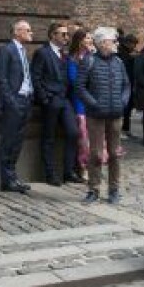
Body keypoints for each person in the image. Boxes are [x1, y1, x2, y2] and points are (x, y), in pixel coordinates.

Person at [75, 27, 130, 204]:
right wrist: (94, 104)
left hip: (115, 114)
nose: (116, 44)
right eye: (113, 41)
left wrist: (122, 102)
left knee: (115, 154)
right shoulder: (89, 61)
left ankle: (114, 190)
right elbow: (80, 87)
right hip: (96, 116)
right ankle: (93, 189)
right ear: (102, 43)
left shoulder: (119, 62)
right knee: (96, 154)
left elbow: (126, 85)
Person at [30, 22, 80, 186]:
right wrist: (44, 98)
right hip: (50, 100)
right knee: (49, 137)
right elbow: (35, 77)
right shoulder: (42, 53)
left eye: (67, 34)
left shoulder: (64, 54)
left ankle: (68, 171)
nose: (67, 37)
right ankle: (50, 173)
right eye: (63, 34)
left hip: (64, 100)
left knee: (73, 132)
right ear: (53, 35)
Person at [0, 20, 35, 193]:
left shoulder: (23, 51)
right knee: (9, 141)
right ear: (17, 32)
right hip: (14, 102)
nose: (31, 33)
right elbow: (2, 79)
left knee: (18, 141)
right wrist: (11, 101)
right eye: (28, 30)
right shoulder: (7, 50)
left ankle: (13, 177)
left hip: (25, 101)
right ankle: (7, 180)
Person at [66, 29, 102, 182]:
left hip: (93, 101)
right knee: (83, 139)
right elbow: (74, 81)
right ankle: (83, 167)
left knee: (96, 138)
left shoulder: (93, 57)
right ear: (80, 40)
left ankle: (95, 166)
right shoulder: (73, 59)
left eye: (90, 39)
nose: (89, 41)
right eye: (87, 38)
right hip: (80, 102)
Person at [118, 32, 139, 139]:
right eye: (133, 44)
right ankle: (121, 130)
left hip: (130, 83)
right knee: (124, 108)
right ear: (128, 43)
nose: (134, 47)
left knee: (129, 108)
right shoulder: (121, 52)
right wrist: (131, 58)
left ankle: (126, 129)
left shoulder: (130, 52)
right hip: (123, 84)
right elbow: (123, 64)